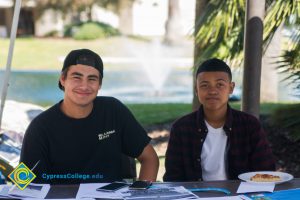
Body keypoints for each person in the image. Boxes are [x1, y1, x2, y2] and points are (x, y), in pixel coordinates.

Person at [20, 49, 159, 184]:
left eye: (92, 79)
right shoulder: (40, 127)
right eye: (76, 77)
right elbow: (23, 181)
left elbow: (150, 158)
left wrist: (142, 192)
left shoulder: (113, 110)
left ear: (100, 84)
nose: (84, 86)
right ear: (63, 79)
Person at [163, 58, 275, 182]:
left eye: (220, 84)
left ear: (231, 88)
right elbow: (172, 178)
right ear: (196, 89)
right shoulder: (181, 128)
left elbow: (265, 171)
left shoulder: (249, 125)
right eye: (204, 85)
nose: (212, 91)